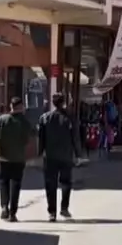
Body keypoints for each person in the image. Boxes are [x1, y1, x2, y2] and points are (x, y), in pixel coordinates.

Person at [38, 93, 79, 221]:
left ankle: (52, 212)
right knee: (66, 183)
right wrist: (78, 154)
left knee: (51, 184)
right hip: (66, 156)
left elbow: (41, 138)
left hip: (50, 156)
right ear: (63, 102)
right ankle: (64, 208)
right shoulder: (70, 118)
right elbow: (75, 137)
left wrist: (40, 153)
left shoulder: (45, 118)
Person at [0, 97, 32, 222]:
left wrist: (1, 147)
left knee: (4, 182)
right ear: (21, 107)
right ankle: (12, 213)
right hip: (18, 158)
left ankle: (4, 207)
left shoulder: (2, 119)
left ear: (11, 106)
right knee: (16, 184)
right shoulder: (24, 122)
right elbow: (27, 139)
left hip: (3, 158)